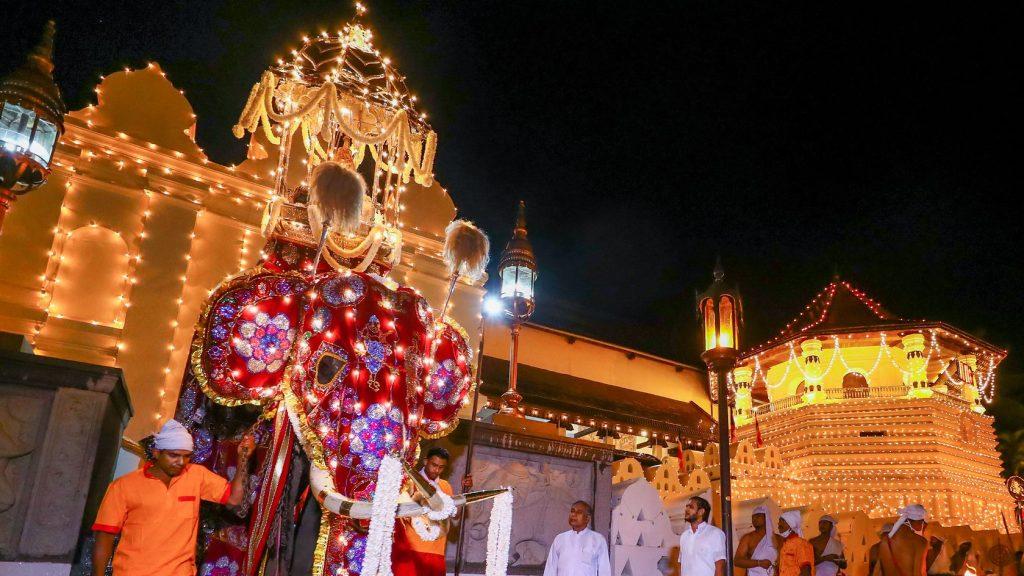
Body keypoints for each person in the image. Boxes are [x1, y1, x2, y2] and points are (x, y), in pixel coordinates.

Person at [91, 420, 254, 576]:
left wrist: (242, 459)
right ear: (156, 453)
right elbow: (104, 537)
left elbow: (234, 499)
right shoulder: (123, 486)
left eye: (187, 456)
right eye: (174, 455)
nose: (181, 462)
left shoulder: (196, 475)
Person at [394, 447, 458, 576]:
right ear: (425, 461)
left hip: (437, 551)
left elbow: (452, 516)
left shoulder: (446, 486)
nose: (437, 470)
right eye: (434, 465)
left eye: (441, 467)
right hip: (412, 549)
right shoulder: (409, 482)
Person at [543, 501, 611, 576]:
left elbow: (604, 570)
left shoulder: (598, 540)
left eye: (579, 512)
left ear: (587, 518)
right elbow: (550, 569)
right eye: (572, 511)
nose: (573, 515)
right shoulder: (560, 539)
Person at [878, 504, 943, 576]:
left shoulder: (884, 542)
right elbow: (918, 573)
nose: (923, 525)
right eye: (923, 522)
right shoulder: (919, 542)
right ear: (918, 521)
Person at [679, 496, 728, 576]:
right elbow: (681, 565)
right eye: (686, 507)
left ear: (701, 511)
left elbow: (720, 567)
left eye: (691, 507)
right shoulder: (684, 536)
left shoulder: (715, 533)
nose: (686, 510)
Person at [736, 505, 779, 576]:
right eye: (753, 517)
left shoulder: (777, 538)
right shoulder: (748, 538)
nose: (754, 519)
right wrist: (759, 563)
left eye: (758, 516)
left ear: (766, 518)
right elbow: (737, 561)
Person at [777, 510, 815, 576]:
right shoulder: (785, 544)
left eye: (782, 521)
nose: (779, 524)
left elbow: (806, 571)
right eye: (779, 521)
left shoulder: (801, 544)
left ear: (791, 524)